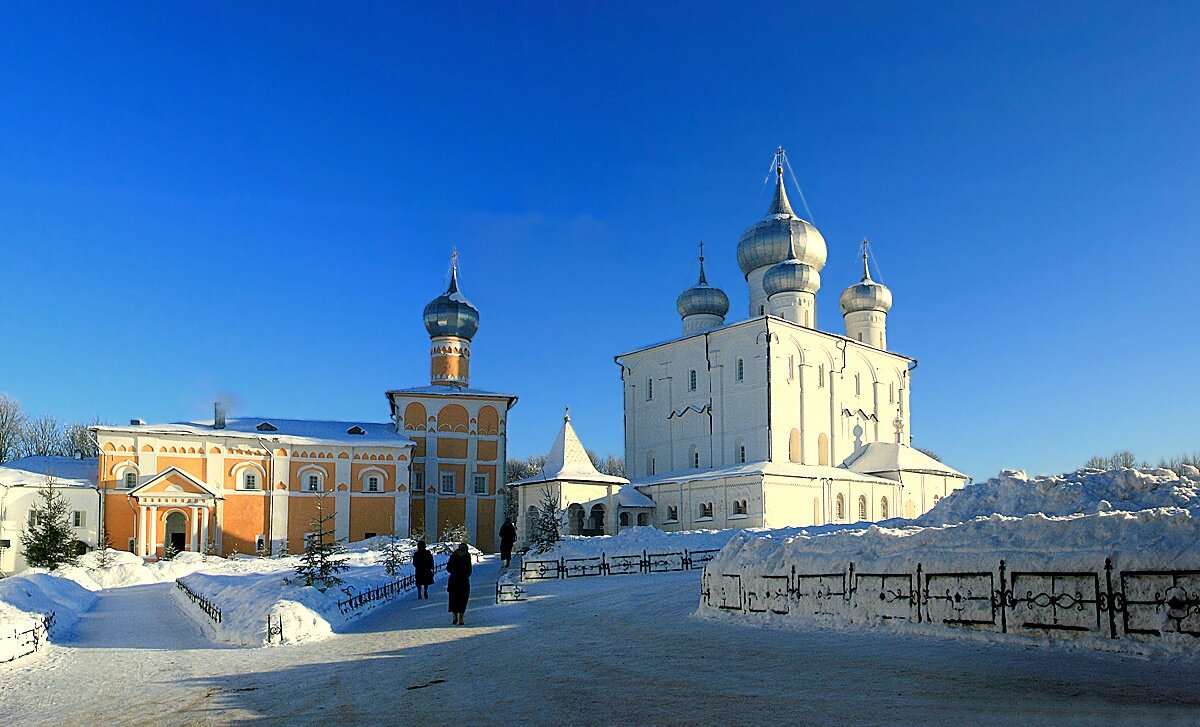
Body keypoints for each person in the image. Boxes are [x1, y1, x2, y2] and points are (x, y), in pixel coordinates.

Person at [446, 542, 473, 625]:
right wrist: (465, 575)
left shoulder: (454, 555)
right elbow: (469, 569)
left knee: (453, 598)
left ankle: (454, 617)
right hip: (463, 580)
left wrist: (454, 572)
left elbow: (448, 568)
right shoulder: (467, 556)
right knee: (463, 599)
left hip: (454, 579)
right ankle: (461, 618)